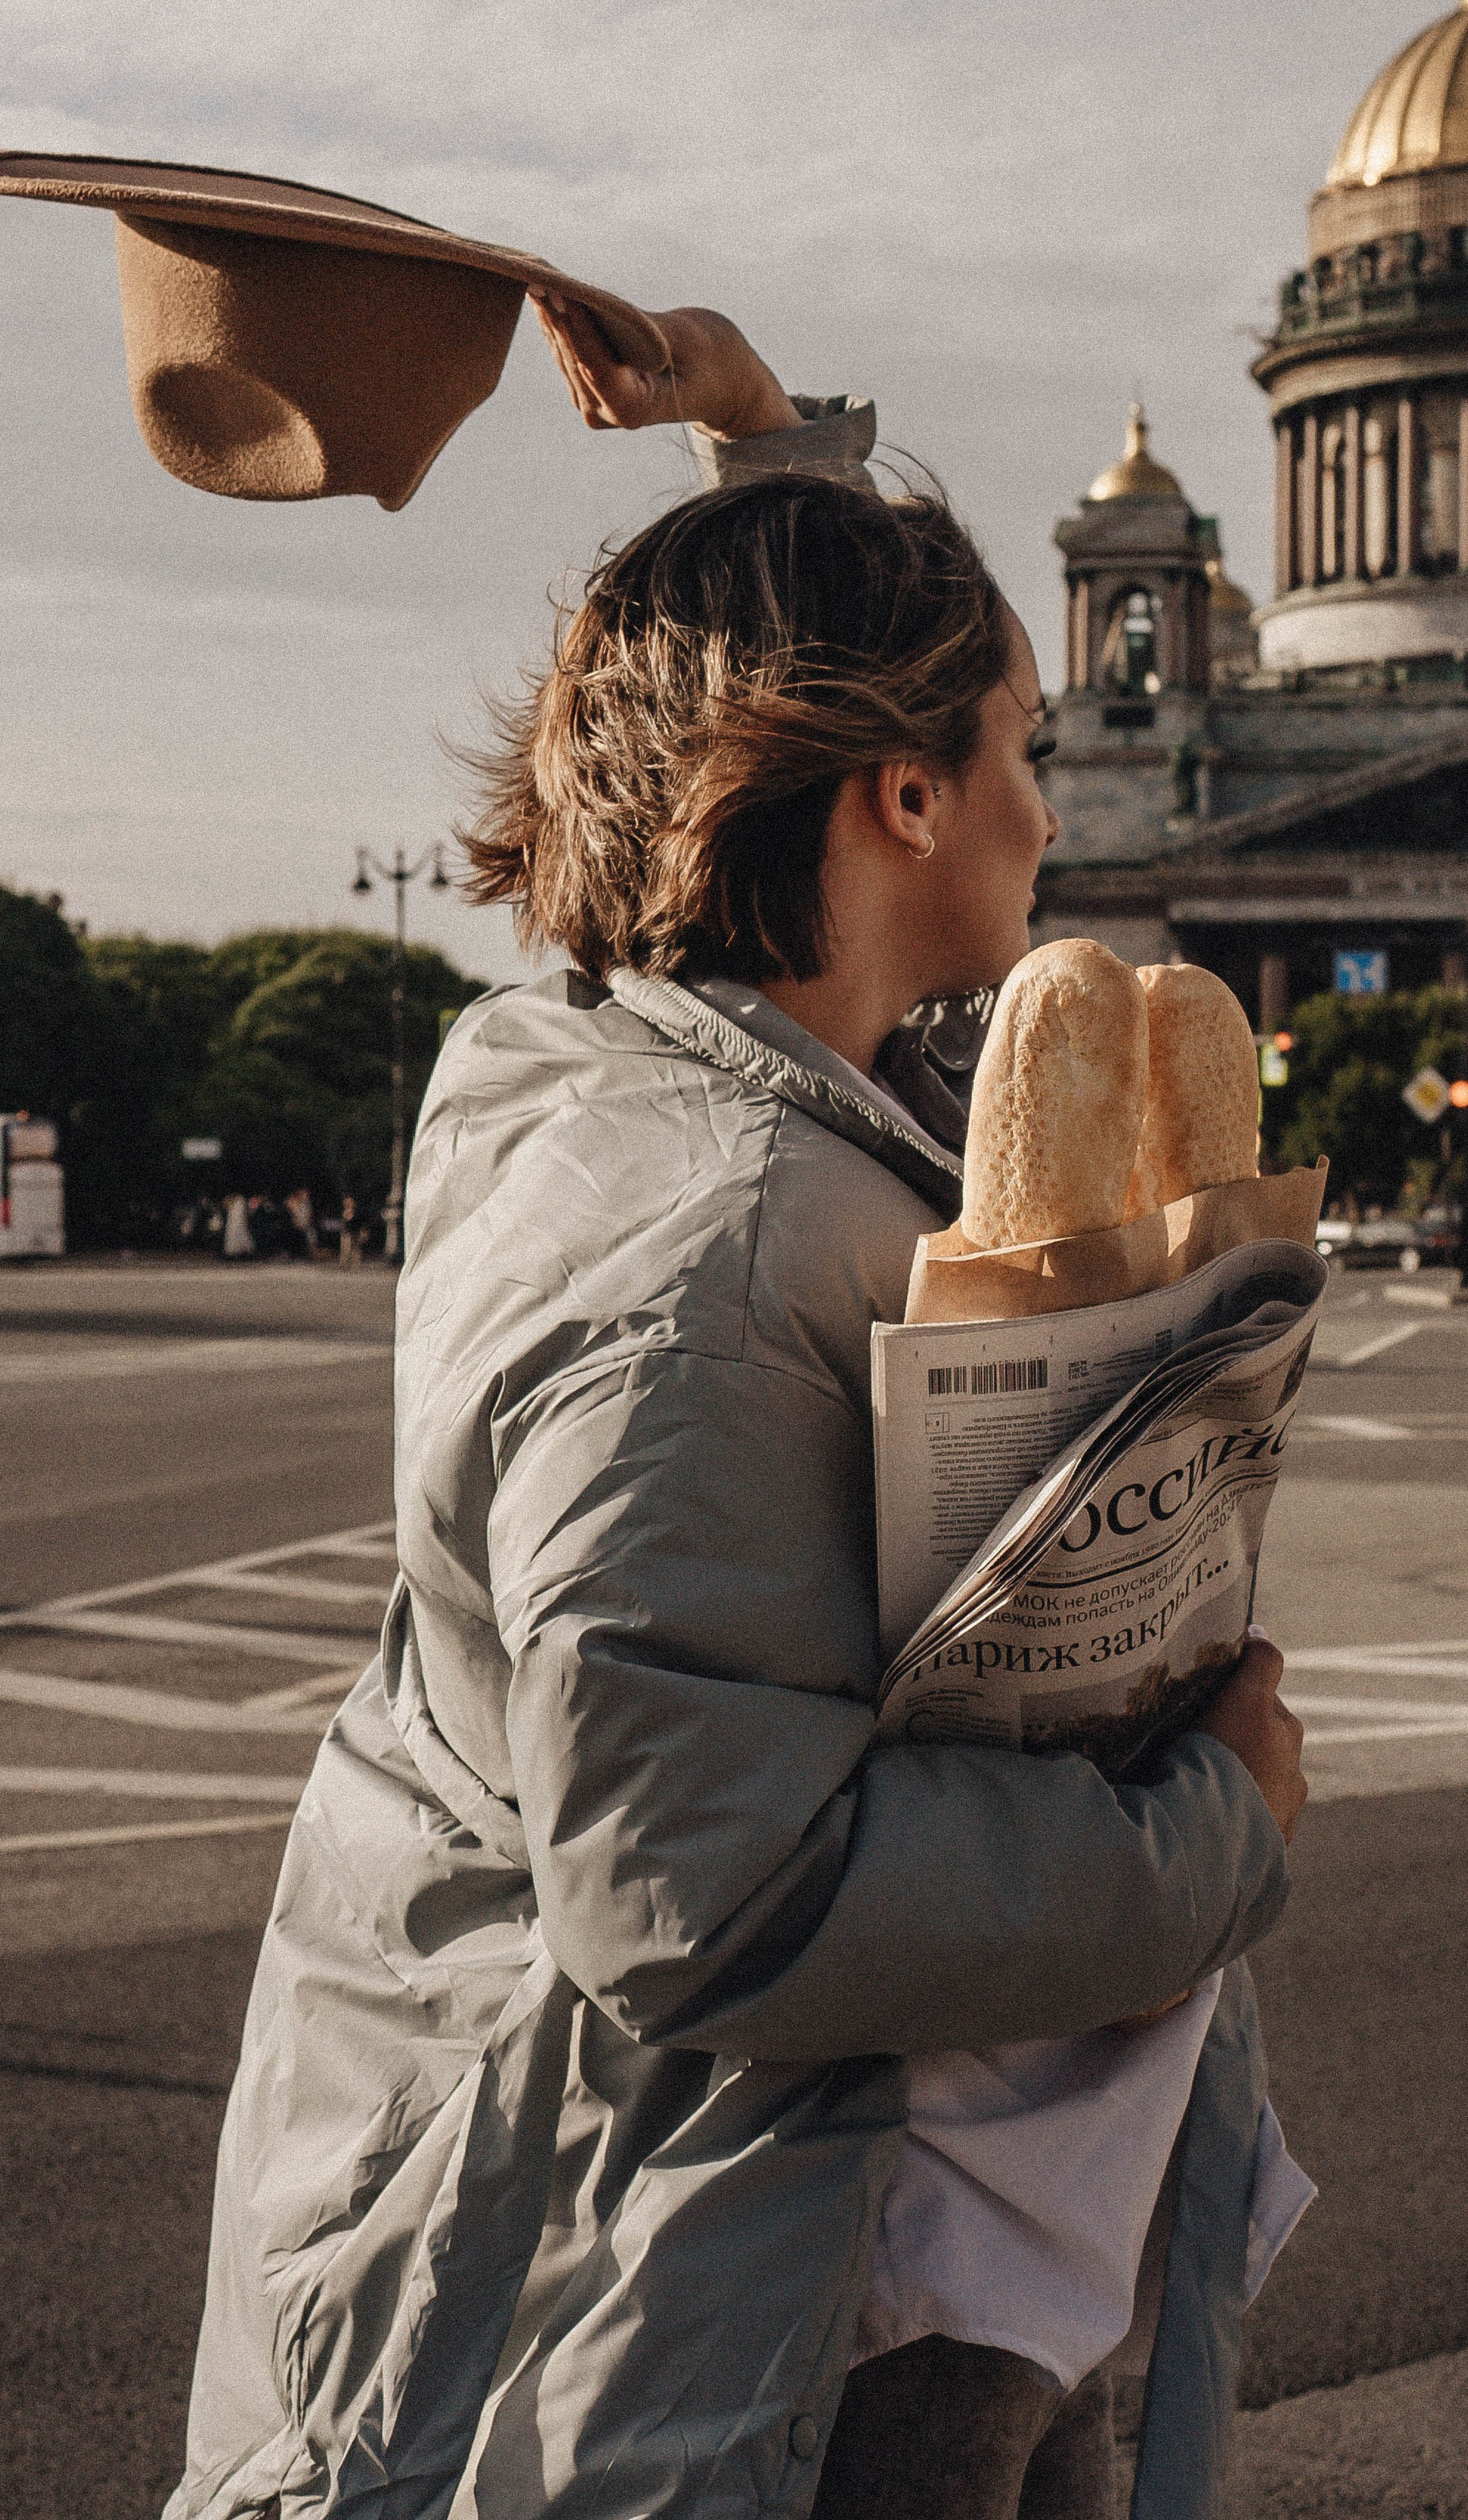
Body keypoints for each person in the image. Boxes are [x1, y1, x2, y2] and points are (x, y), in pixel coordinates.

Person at [163, 303, 1307, 2520]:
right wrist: (1216, 1829)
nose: (1053, 810)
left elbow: (751, 686)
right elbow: (704, 1895)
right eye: (1022, 749)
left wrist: (775, 456)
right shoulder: (698, 1252)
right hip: (674, 2342)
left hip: (754, 2264)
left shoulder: (695, 1097)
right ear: (900, 795)